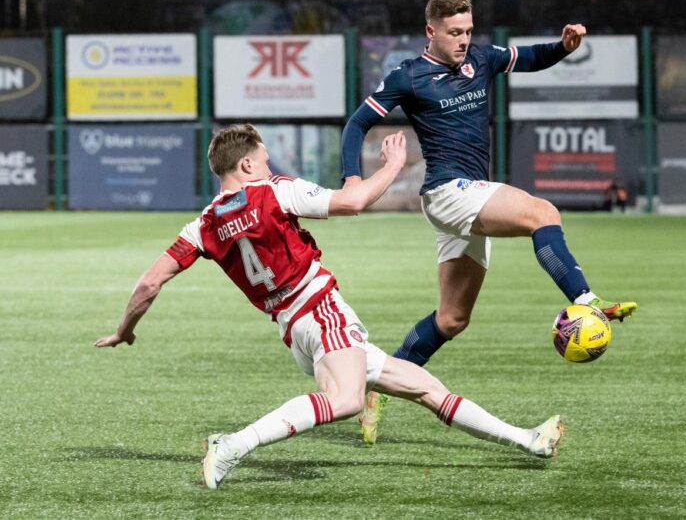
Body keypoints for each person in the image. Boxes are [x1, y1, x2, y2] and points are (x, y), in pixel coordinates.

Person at [94, 124, 564, 489]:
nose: (269, 163)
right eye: (263, 158)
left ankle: (529, 440)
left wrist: (124, 329)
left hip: (294, 329)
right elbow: (353, 201)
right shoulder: (274, 190)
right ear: (247, 165)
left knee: (424, 387)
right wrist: (393, 166)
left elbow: (149, 284)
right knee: (347, 401)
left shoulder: (201, 226)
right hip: (320, 311)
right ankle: (234, 444)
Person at [341, 0, 637, 442]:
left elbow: (530, 58)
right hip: (447, 192)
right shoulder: (408, 76)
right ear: (431, 31)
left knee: (451, 319)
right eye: (454, 32)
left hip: (467, 196)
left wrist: (562, 48)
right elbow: (356, 124)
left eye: (468, 31)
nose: (463, 40)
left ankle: (375, 387)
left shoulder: (479, 58)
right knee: (543, 212)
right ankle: (585, 299)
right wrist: (350, 179)